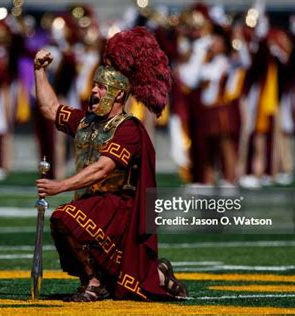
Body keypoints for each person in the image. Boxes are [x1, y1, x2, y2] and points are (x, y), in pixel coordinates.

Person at [35, 27, 188, 302]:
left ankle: (94, 283)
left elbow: (104, 168)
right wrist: (39, 72)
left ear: (118, 94)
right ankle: (156, 273)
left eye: (101, 87)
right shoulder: (86, 120)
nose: (93, 90)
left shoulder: (129, 128)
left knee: (64, 218)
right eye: (94, 85)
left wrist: (61, 185)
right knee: (74, 230)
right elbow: (50, 109)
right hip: (94, 200)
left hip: (119, 205)